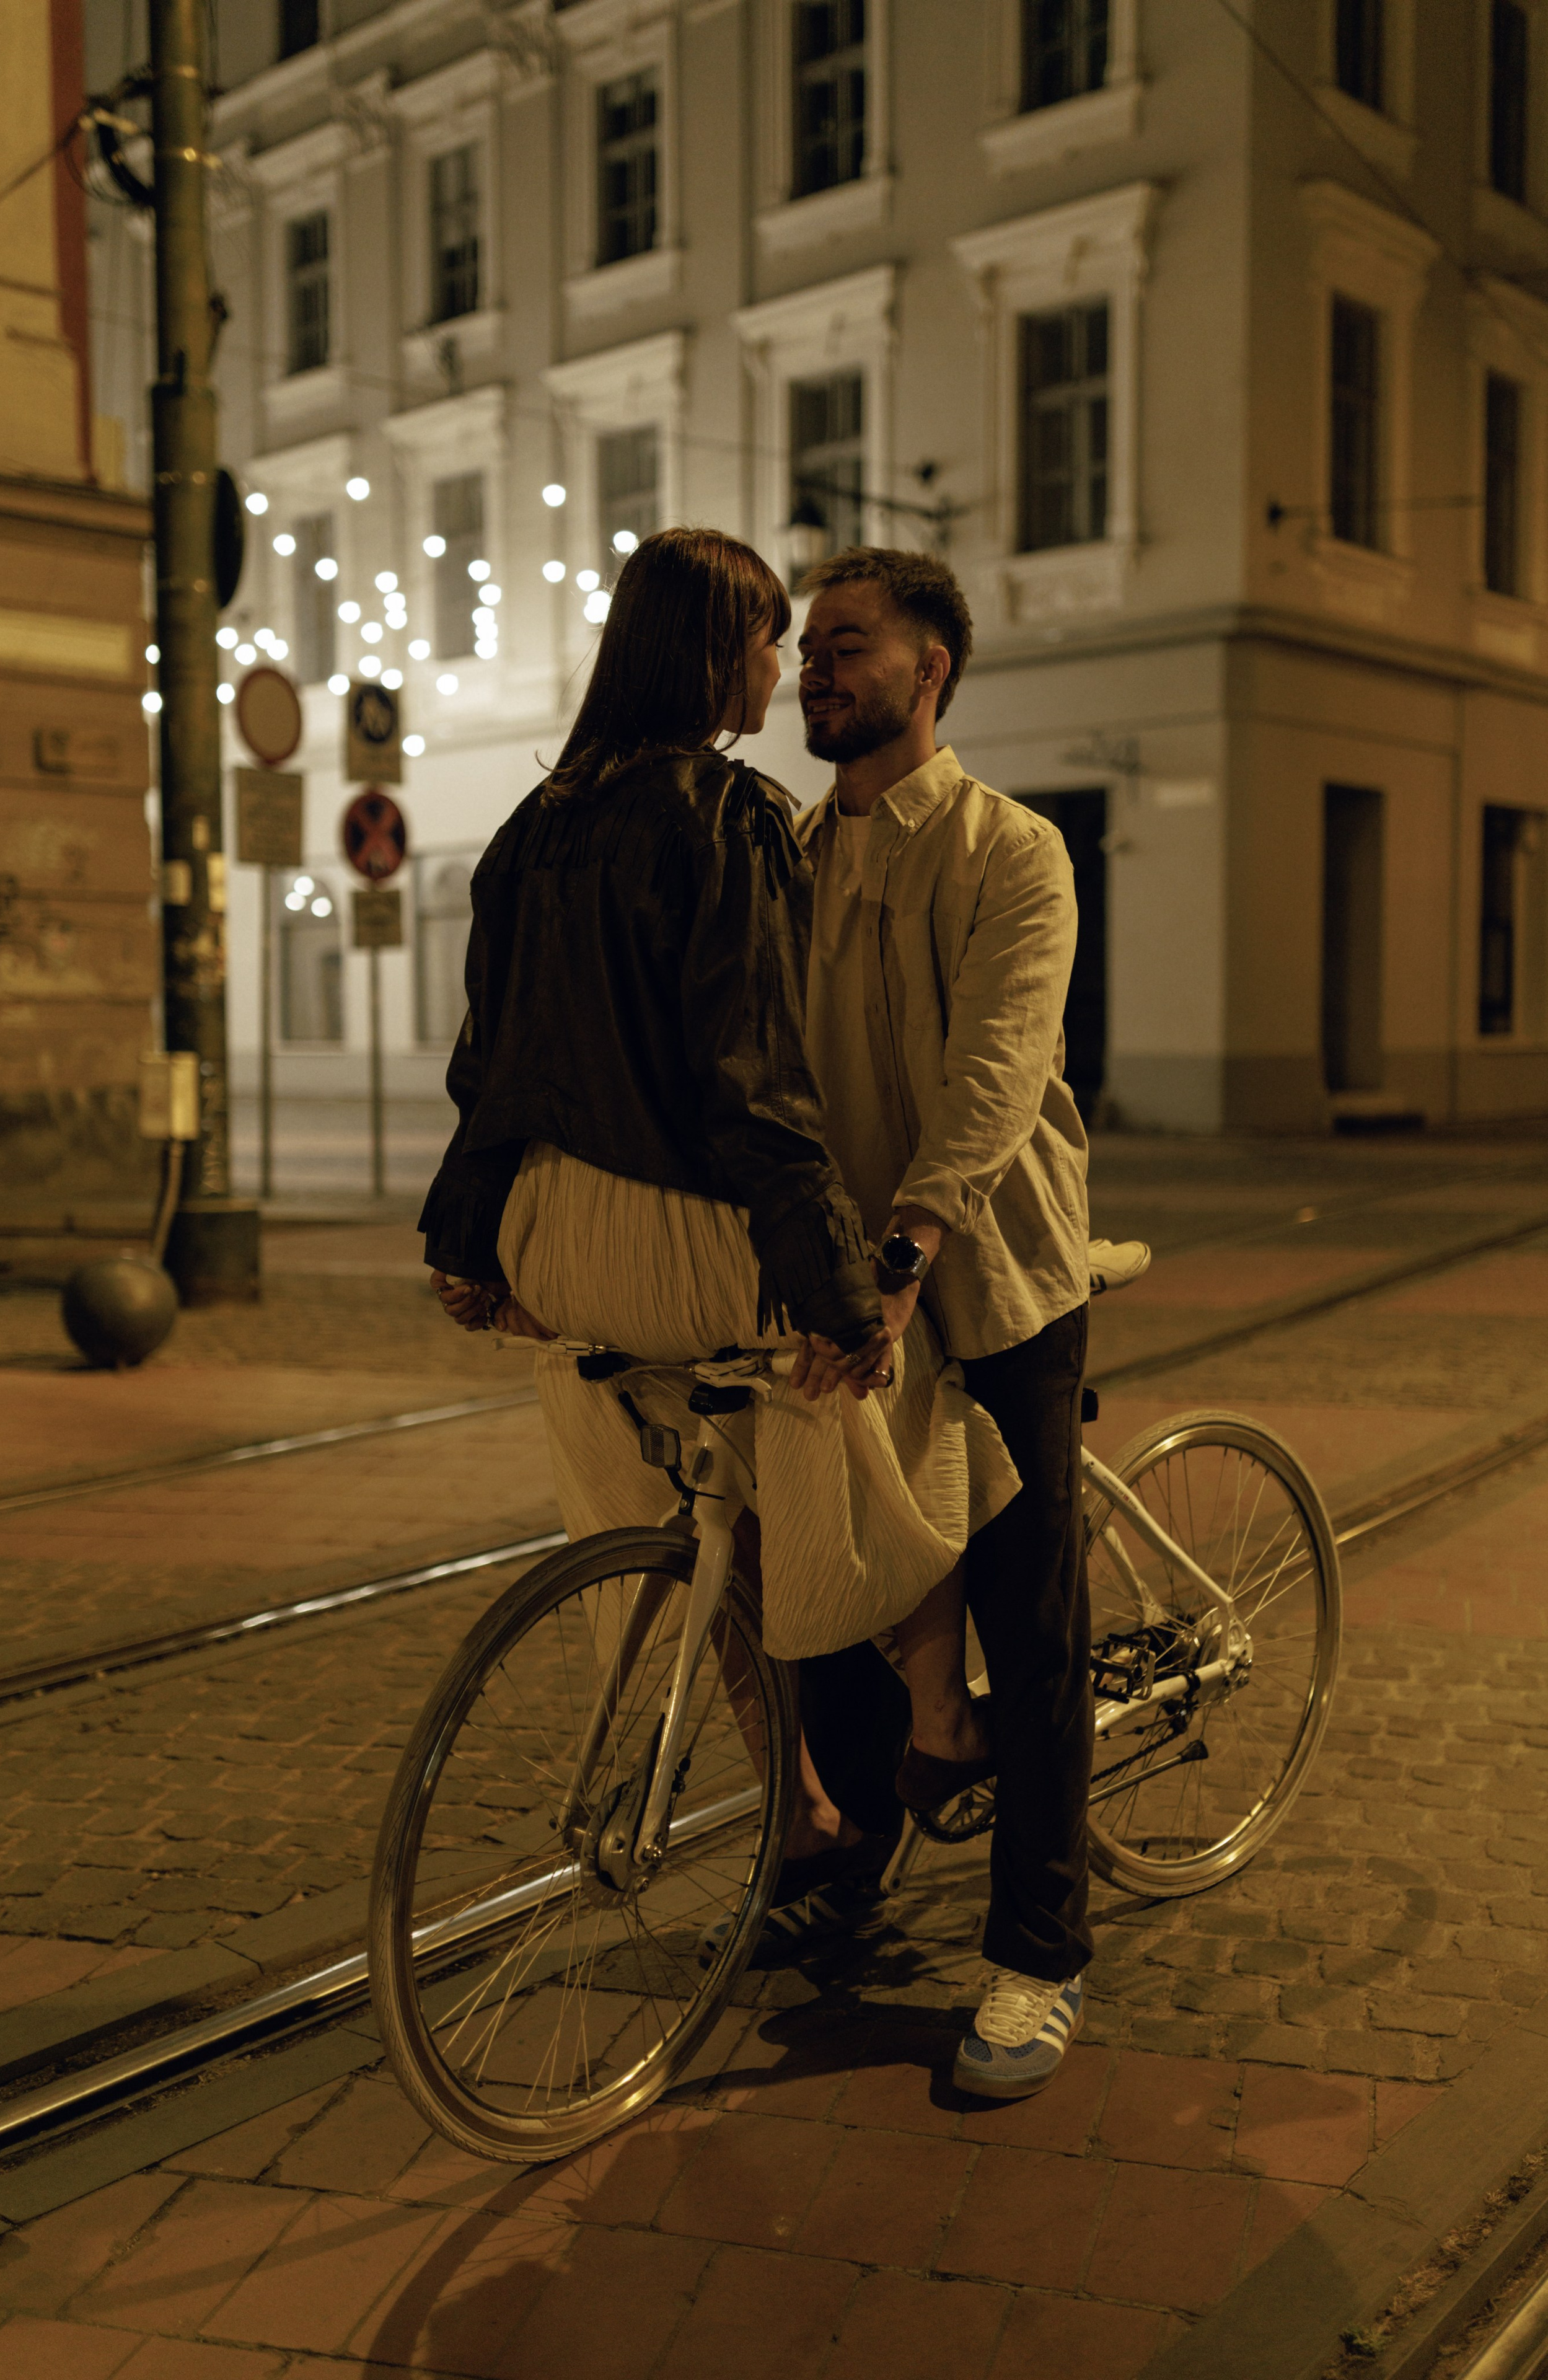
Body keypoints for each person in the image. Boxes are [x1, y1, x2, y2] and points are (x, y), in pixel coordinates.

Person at [418, 525, 1017, 1907]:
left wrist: (466, 1245)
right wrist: (839, 1296)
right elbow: (755, 1082)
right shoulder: (727, 814)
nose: (777, 669)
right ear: (710, 654)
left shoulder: (528, 830)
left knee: (706, 1506)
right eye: (763, 641)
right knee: (884, 1419)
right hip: (680, 1239)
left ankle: (796, 1801)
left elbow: (482, 1064)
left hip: (548, 1242)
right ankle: (940, 1723)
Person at [790, 544, 1094, 2102]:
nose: (812, 668)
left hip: (992, 1277)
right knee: (831, 1592)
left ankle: (1038, 1957)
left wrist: (908, 1247)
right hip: (853, 1281)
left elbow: (990, 1071)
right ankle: (854, 1854)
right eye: (803, 648)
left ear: (932, 670)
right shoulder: (788, 850)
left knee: (1026, 1617)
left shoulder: (1011, 851)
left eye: (847, 643)